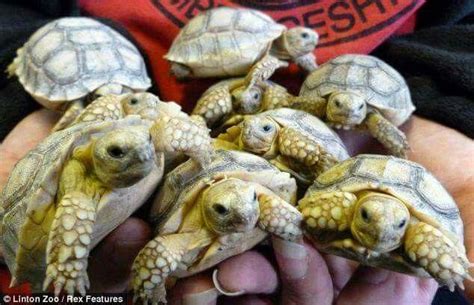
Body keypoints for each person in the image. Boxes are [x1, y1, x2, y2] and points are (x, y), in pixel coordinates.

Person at [1, 109, 472, 305]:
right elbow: (153, 249)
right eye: (226, 215)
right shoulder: (85, 182)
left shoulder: (159, 138)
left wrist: (455, 117)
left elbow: (297, 212)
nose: (242, 219)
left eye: (146, 146)